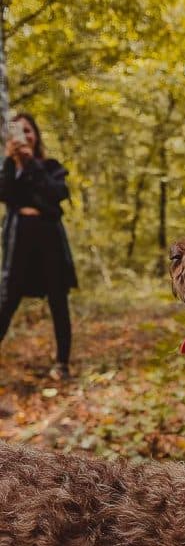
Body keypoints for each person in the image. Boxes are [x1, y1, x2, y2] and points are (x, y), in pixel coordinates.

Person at [0, 112, 77, 379]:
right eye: (18, 131)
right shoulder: (10, 169)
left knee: (58, 300)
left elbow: (57, 193)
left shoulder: (51, 166)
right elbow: (5, 194)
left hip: (49, 243)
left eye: (28, 130)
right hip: (18, 243)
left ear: (36, 135)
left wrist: (31, 163)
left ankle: (62, 364)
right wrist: (10, 161)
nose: (24, 136)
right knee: (7, 299)